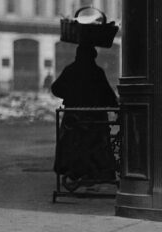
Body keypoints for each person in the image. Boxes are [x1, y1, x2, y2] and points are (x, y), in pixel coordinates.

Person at [51, 44, 119, 186]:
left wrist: (70, 96)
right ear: (93, 56)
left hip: (74, 116)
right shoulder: (97, 72)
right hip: (95, 116)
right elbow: (107, 94)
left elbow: (56, 88)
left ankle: (75, 172)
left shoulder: (70, 70)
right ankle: (92, 172)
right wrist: (115, 107)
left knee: (73, 144)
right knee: (95, 145)